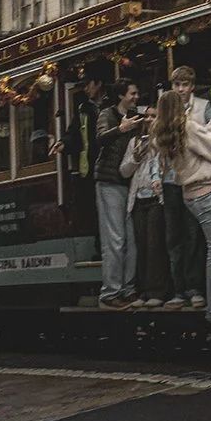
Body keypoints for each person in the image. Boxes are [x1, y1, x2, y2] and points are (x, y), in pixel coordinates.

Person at [149, 91, 211, 334]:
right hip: (206, 192)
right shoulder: (187, 127)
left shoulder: (164, 133)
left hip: (190, 194)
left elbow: (204, 135)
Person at [159, 65, 211, 309]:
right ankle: (178, 289)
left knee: (194, 234)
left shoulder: (203, 107)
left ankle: (194, 288)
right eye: (177, 85)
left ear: (192, 87)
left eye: (185, 85)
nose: (181, 89)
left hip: (193, 178)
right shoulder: (165, 108)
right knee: (174, 236)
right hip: (170, 180)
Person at [93, 82, 146, 307]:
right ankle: (110, 293)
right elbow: (101, 138)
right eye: (132, 93)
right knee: (115, 238)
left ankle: (127, 288)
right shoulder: (108, 114)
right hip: (109, 180)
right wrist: (121, 129)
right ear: (121, 95)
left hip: (128, 181)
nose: (136, 97)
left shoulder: (136, 117)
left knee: (130, 239)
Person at [122, 114, 172, 306]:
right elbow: (124, 171)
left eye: (154, 116)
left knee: (155, 244)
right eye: (147, 116)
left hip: (157, 197)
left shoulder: (164, 139)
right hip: (138, 198)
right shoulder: (134, 142)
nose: (150, 119)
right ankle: (143, 291)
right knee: (141, 245)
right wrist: (135, 157)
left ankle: (156, 292)